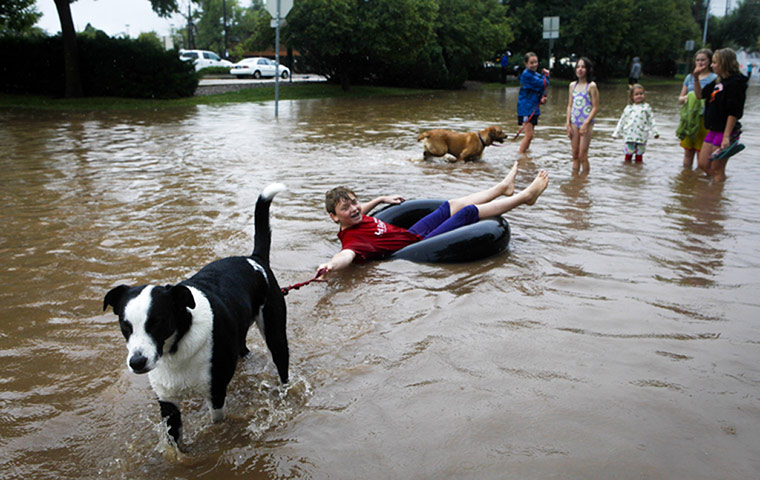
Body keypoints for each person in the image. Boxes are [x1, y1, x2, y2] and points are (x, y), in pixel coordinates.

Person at [315, 164, 549, 278]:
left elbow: (361, 210)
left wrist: (380, 199)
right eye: (346, 208)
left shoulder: (357, 218)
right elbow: (346, 255)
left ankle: (501, 188)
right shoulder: (353, 240)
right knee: (466, 213)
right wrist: (330, 266)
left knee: (451, 205)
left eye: (354, 202)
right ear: (334, 217)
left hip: (411, 234)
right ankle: (525, 198)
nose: (354, 209)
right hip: (414, 245)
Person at [693, 47, 748, 182]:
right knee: (703, 164)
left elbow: (734, 112)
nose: (711, 65)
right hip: (713, 129)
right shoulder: (718, 81)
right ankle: (712, 193)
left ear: (724, 63)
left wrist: (726, 137)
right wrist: (695, 78)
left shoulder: (736, 83)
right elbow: (700, 95)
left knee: (717, 169)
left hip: (725, 131)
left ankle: (715, 198)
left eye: (715, 62)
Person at [677, 48, 717, 168]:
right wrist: (686, 98)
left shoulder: (714, 78)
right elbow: (680, 99)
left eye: (703, 60)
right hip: (689, 118)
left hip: (704, 119)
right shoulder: (689, 78)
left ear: (710, 61)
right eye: (697, 60)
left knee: (702, 154)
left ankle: (699, 182)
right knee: (688, 152)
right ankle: (687, 179)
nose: (700, 63)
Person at [565, 57, 599, 174]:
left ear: (588, 70)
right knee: (575, 155)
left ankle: (584, 180)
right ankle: (575, 179)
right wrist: (567, 123)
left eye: (583, 67)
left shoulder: (591, 86)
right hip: (574, 122)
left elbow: (595, 107)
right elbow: (570, 105)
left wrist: (586, 123)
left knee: (582, 155)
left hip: (587, 123)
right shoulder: (572, 86)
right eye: (578, 67)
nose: (580, 69)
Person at [612, 84, 659, 163]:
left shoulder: (646, 107)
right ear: (631, 97)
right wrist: (616, 133)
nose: (639, 96)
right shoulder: (628, 108)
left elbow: (651, 120)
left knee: (639, 154)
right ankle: (628, 169)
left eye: (641, 94)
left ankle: (638, 170)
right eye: (636, 94)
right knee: (628, 154)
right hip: (629, 135)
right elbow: (622, 121)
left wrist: (655, 132)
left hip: (641, 135)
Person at [517, 52, 550, 154]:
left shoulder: (535, 74)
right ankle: (520, 157)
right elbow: (543, 83)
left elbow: (541, 88)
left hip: (533, 108)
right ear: (526, 64)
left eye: (536, 62)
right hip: (525, 108)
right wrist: (546, 76)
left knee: (530, 136)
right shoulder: (527, 74)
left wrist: (542, 98)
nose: (534, 64)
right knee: (529, 135)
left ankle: (525, 155)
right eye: (531, 63)